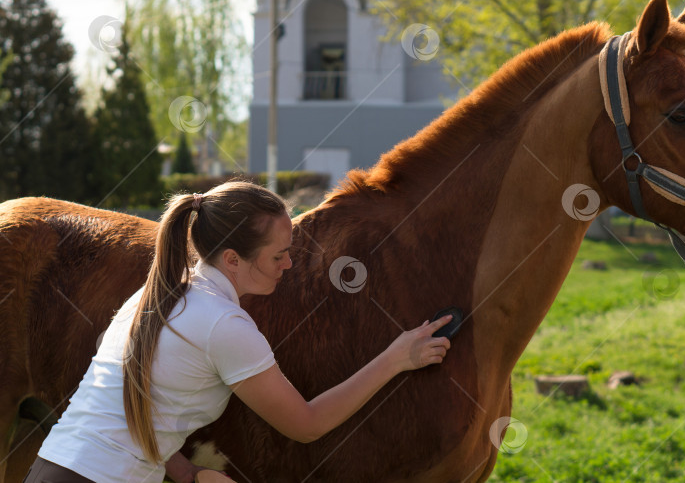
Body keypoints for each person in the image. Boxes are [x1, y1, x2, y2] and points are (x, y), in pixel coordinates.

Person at [24, 181, 453, 483]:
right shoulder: (223, 325)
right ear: (232, 259)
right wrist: (398, 358)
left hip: (51, 469)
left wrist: (186, 473)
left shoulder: (160, 294)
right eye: (279, 256)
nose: (288, 265)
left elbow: (134, 403)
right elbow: (306, 424)